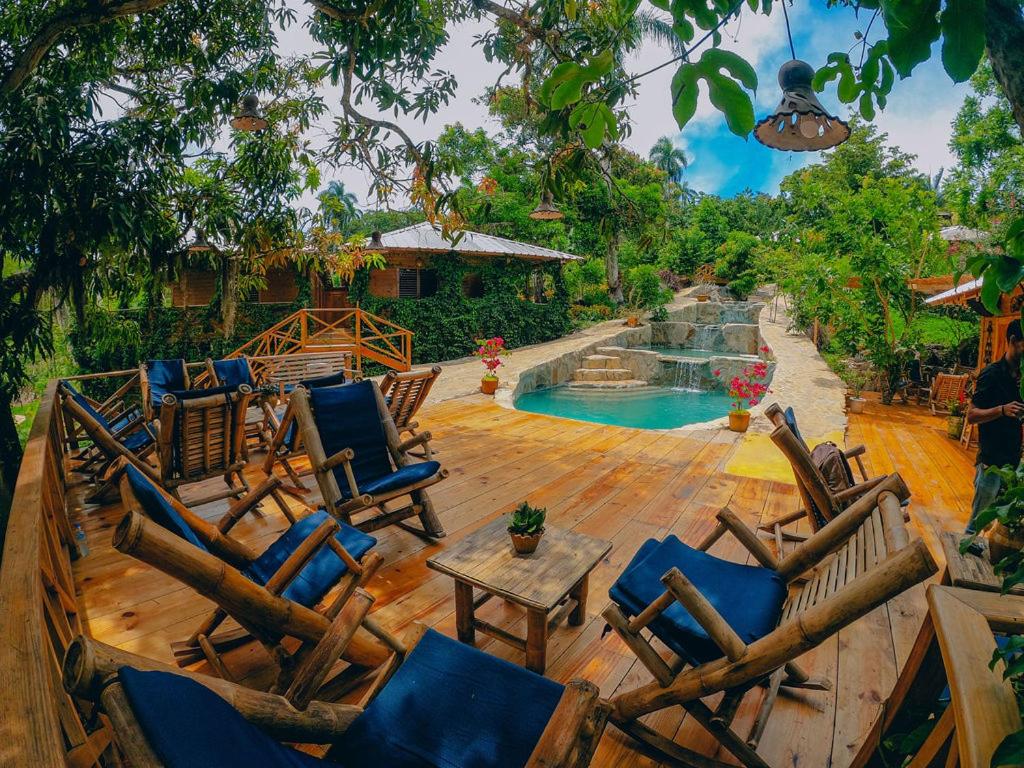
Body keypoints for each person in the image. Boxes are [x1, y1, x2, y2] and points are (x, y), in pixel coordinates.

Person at [966, 319, 1024, 532]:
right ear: (1012, 341)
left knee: (997, 524)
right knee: (975, 526)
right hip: (991, 461)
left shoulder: (1022, 378)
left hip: (1013, 462)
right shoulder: (992, 374)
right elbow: (971, 415)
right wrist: (1001, 410)